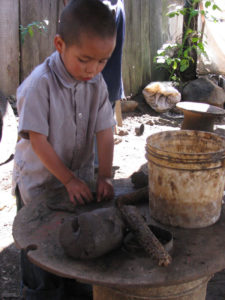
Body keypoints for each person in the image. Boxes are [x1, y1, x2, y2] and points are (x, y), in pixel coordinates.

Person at [12, 0, 117, 298]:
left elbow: (105, 131)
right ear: (60, 44)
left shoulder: (97, 84)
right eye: (85, 59)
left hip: (77, 184)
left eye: (103, 61)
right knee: (39, 256)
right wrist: (68, 179)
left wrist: (105, 176)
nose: (93, 69)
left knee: (76, 247)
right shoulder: (39, 85)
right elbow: (37, 140)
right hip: (39, 186)